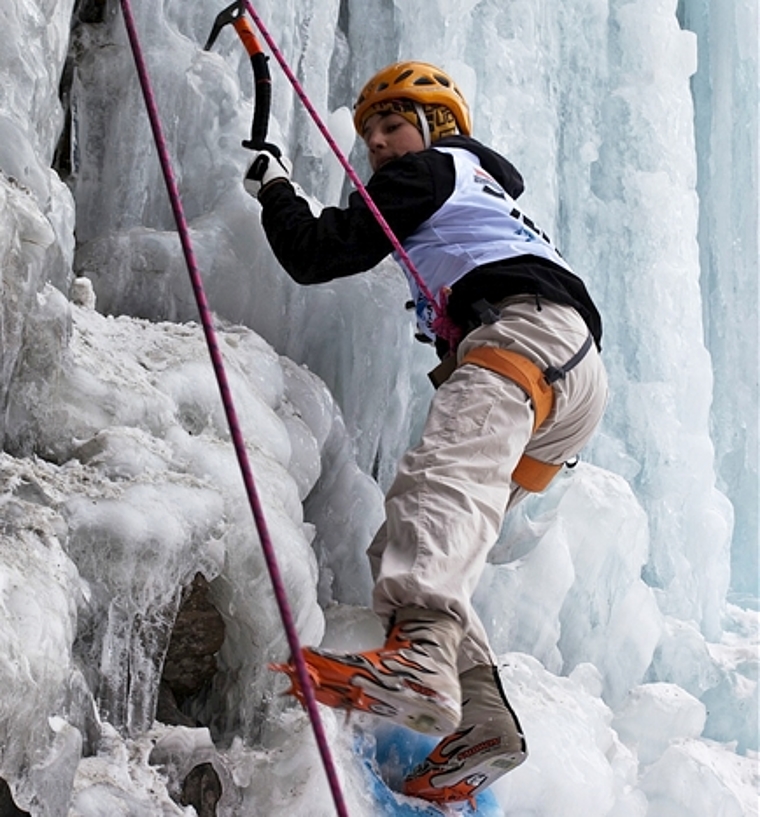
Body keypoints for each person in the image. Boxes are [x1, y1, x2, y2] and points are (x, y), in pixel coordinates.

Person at [244, 61, 608, 806]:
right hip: (564, 375)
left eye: (394, 122)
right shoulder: (473, 190)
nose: (378, 141)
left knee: (439, 486)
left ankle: (420, 662)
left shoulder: (434, 167)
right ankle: (484, 723)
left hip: (524, 337)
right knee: (408, 539)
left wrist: (273, 185)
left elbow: (319, 252)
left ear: (437, 127)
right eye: (370, 131)